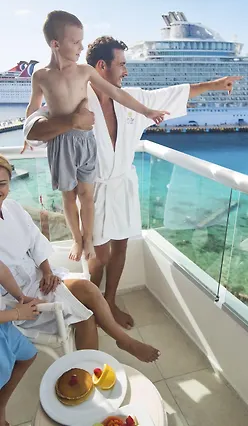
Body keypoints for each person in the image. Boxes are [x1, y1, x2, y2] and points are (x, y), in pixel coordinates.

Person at [24, 35, 242, 329]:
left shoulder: (131, 99)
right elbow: (33, 127)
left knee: (121, 246)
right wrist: (67, 123)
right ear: (102, 66)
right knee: (98, 254)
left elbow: (172, 94)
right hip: (93, 190)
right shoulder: (73, 98)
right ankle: (93, 305)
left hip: (123, 185)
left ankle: (110, 301)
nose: (126, 71)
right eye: (122, 64)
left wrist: (214, 85)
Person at [27, 11, 169, 262]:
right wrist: (27, 137)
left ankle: (89, 240)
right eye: (75, 42)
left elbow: (118, 94)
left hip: (85, 140)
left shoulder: (84, 71)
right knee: (68, 196)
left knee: (87, 195)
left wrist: (147, 111)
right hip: (60, 143)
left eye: (82, 41)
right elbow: (33, 109)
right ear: (55, 44)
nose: (81, 47)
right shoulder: (40, 76)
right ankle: (77, 239)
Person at [0, 155, 160, 362]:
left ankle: (94, 364)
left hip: (40, 279)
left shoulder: (12, 208)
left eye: (2, 184)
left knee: (88, 293)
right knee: (87, 313)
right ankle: (120, 344)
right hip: (16, 300)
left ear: (9, 184)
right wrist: (19, 307)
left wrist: (47, 272)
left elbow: (36, 241)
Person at [0, 260, 39, 426]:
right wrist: (17, 313)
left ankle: (1, 406)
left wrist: (20, 297)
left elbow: (2, 270)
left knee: (28, 355)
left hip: (4, 326)